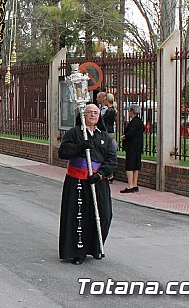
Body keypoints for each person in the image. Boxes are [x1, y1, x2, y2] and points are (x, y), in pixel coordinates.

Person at [58, 103, 117, 265]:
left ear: (99, 116)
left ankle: (96, 247)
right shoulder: (74, 133)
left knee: (103, 215)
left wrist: (99, 175)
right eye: (89, 112)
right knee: (79, 217)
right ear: (83, 115)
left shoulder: (104, 137)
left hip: (97, 181)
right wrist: (80, 147)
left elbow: (112, 160)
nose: (92, 115)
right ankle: (78, 252)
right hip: (77, 181)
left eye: (95, 113)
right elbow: (62, 153)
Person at [121, 104, 144, 193]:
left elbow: (131, 134)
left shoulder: (134, 122)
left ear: (132, 111)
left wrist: (124, 136)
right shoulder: (140, 121)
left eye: (129, 111)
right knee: (136, 166)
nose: (128, 112)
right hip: (138, 147)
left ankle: (130, 185)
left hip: (132, 147)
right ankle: (135, 184)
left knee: (130, 166)